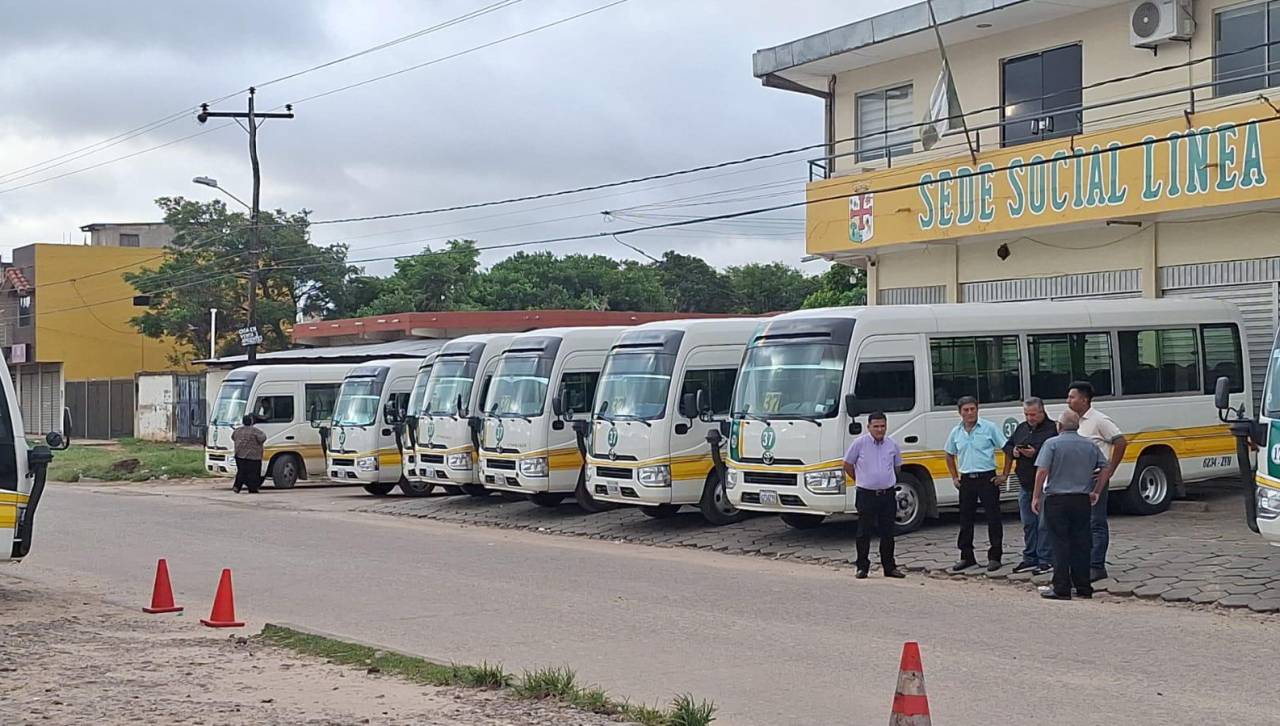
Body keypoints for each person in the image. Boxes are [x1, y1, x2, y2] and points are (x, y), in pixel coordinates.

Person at [1031, 410, 1109, 601]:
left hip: (1057, 499)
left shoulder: (1052, 444)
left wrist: (1036, 496)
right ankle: (1083, 587)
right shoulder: (1090, 445)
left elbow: (1042, 471)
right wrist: (1097, 490)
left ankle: (1062, 587)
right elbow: (1105, 467)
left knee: (1059, 543)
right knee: (1082, 543)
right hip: (1081, 499)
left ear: (1059, 426)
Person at [1067, 381, 1126, 582]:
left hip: (1094, 478)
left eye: (1072, 397)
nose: (1069, 400)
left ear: (1084, 399)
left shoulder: (1099, 420)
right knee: (1080, 523)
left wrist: (1109, 470)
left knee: (1096, 521)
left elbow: (1120, 441)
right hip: (1076, 479)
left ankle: (1097, 565)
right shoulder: (1074, 422)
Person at [944, 396, 1007, 572]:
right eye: (966, 410)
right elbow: (949, 454)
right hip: (966, 480)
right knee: (965, 519)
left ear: (977, 409)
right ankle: (967, 556)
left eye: (973, 409)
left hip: (987, 478)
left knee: (993, 518)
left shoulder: (989, 428)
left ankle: (995, 556)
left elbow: (1007, 448)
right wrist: (954, 477)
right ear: (960, 412)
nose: (970, 413)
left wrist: (1005, 474)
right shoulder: (956, 432)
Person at [842, 412, 905, 579]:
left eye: (882, 426)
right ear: (868, 427)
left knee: (888, 532)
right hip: (866, 495)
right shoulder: (859, 444)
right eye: (876, 426)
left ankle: (889, 567)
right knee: (864, 532)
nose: (879, 429)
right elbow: (847, 464)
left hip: (887, 494)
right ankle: (862, 567)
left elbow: (897, 467)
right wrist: (860, 479)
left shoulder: (892, 444)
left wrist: (885, 480)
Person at [1001, 398, 1057, 575]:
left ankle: (1046, 559)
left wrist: (1036, 452)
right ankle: (1030, 557)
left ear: (1042, 412)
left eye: (1033, 414)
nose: (1029, 418)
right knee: (1028, 523)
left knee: (1044, 524)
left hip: (1044, 485)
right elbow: (1007, 446)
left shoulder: (1053, 429)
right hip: (1025, 484)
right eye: (1026, 414)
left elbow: (1055, 453)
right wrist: (1015, 452)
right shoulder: (1022, 427)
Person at [231, 414, 266, 494]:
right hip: (253, 456)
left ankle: (237, 487)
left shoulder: (237, 430)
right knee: (253, 473)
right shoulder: (255, 431)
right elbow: (262, 439)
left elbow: (233, 437)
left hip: (239, 455)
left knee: (241, 472)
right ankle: (252, 488)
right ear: (251, 422)